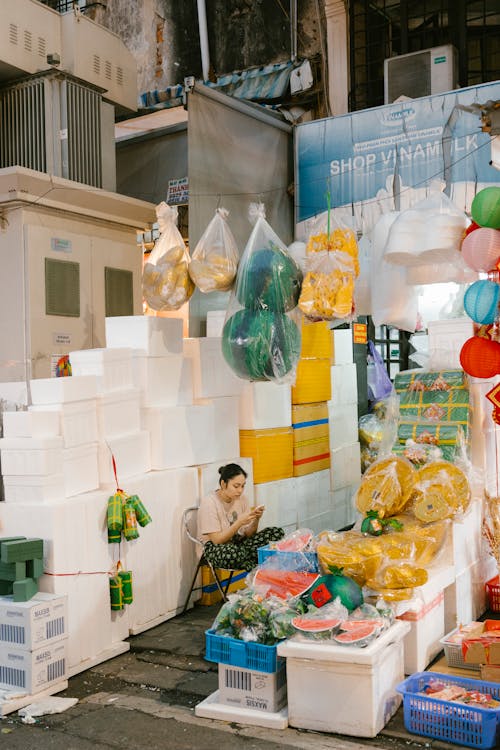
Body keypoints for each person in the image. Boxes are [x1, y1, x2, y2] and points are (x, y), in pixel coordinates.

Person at [197, 463, 284, 571]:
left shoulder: (242, 499)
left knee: (276, 533)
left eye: (243, 486)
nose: (240, 490)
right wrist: (239, 522)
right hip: (214, 548)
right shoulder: (209, 503)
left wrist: (256, 518)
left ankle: (248, 559)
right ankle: (255, 563)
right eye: (236, 486)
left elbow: (248, 535)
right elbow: (217, 540)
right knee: (234, 554)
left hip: (238, 544)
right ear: (223, 484)